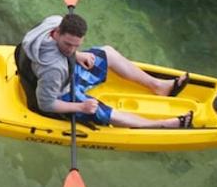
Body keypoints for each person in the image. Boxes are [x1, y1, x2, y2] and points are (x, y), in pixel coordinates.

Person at [16, 13, 193, 128]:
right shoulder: (53, 69)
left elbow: (67, 50)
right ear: (57, 33)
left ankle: (158, 85)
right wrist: (81, 107)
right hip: (61, 93)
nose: (71, 49)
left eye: (76, 45)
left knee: (107, 52)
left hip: (65, 74)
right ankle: (160, 125)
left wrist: (77, 55)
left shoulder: (53, 22)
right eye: (67, 44)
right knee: (101, 111)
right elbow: (45, 104)